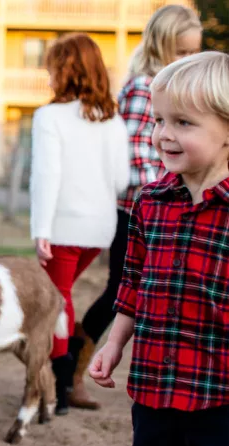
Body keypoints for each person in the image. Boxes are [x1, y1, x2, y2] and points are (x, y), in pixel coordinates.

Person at [90, 51, 229, 446]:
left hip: (221, 391)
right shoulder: (149, 203)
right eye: (159, 121)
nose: (164, 135)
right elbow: (131, 285)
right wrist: (113, 344)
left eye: (183, 123)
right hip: (155, 383)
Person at [71, 4, 202, 410]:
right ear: (162, 46)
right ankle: (72, 366)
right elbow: (133, 158)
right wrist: (168, 190)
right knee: (121, 290)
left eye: (191, 53)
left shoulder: (169, 87)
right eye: (180, 52)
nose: (186, 60)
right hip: (139, 209)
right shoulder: (144, 87)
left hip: (162, 206)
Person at [29, 33, 129, 415]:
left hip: (63, 226)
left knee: (58, 300)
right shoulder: (112, 119)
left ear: (64, 70)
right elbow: (121, 179)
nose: (49, 76)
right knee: (64, 296)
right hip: (100, 228)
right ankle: (64, 377)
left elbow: (46, 177)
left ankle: (59, 379)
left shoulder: (48, 116)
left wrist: (41, 229)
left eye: (53, 68)